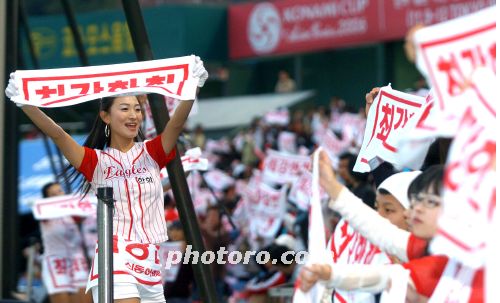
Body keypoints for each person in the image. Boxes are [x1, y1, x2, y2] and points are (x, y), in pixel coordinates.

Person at [7, 56, 208, 303]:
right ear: (105, 116)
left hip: (151, 263)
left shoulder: (153, 152)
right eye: (124, 109)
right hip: (115, 258)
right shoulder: (95, 161)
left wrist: (192, 88)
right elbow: (58, 134)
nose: (134, 115)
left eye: (137, 109)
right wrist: (26, 105)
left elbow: (176, 124)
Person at [39, 182, 92, 303]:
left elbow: (85, 212)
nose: (59, 195)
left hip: (78, 261)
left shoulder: (72, 213)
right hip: (57, 262)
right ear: (47, 199)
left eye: (60, 191)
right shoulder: (45, 213)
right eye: (53, 194)